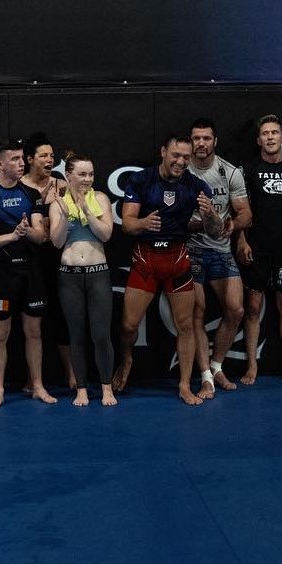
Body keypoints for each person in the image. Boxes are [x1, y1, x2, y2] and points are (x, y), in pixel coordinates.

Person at [114, 132, 222, 405]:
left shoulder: (196, 185)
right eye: (176, 155)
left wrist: (210, 214)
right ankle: (126, 359)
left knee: (185, 325)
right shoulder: (141, 180)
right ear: (163, 152)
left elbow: (215, 231)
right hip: (146, 260)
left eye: (186, 157)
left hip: (177, 260)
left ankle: (184, 385)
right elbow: (127, 224)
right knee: (128, 325)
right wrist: (143, 223)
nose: (181, 162)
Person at [0, 138, 55, 409]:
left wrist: (27, 231)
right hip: (1, 274)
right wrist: (12, 235)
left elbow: (40, 235)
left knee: (34, 332)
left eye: (22, 158)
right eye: (15, 159)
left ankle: (38, 386)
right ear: (0, 165)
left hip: (30, 272)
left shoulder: (31, 195)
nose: (22, 163)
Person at [238, 115, 282, 384]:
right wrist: (241, 240)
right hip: (256, 247)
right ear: (259, 140)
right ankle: (252, 367)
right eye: (265, 133)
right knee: (252, 308)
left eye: (274, 132)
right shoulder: (248, 169)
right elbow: (239, 209)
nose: (270, 137)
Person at [186, 118, 250, 395]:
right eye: (196, 138)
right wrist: (205, 221)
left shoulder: (229, 172)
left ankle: (216, 366)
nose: (201, 143)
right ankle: (205, 377)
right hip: (191, 251)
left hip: (222, 250)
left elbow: (245, 213)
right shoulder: (182, 171)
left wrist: (232, 225)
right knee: (197, 312)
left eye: (206, 138)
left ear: (215, 141)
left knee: (236, 310)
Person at [48, 151, 116, 407]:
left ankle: (107, 387)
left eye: (91, 174)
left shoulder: (100, 198)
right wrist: (66, 215)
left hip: (98, 274)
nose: (87, 179)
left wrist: (86, 210)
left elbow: (106, 235)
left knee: (101, 335)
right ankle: (82, 389)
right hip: (70, 277)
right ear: (69, 176)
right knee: (75, 335)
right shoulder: (58, 203)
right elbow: (57, 242)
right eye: (82, 174)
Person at [21, 132, 74, 390]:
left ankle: (71, 374)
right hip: (28, 261)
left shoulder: (61, 184)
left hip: (56, 259)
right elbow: (28, 227)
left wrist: (48, 220)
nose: (49, 160)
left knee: (62, 316)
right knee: (31, 321)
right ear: (30, 159)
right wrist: (45, 211)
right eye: (43, 155)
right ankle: (32, 378)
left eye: (52, 156)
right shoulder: (18, 186)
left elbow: (66, 223)